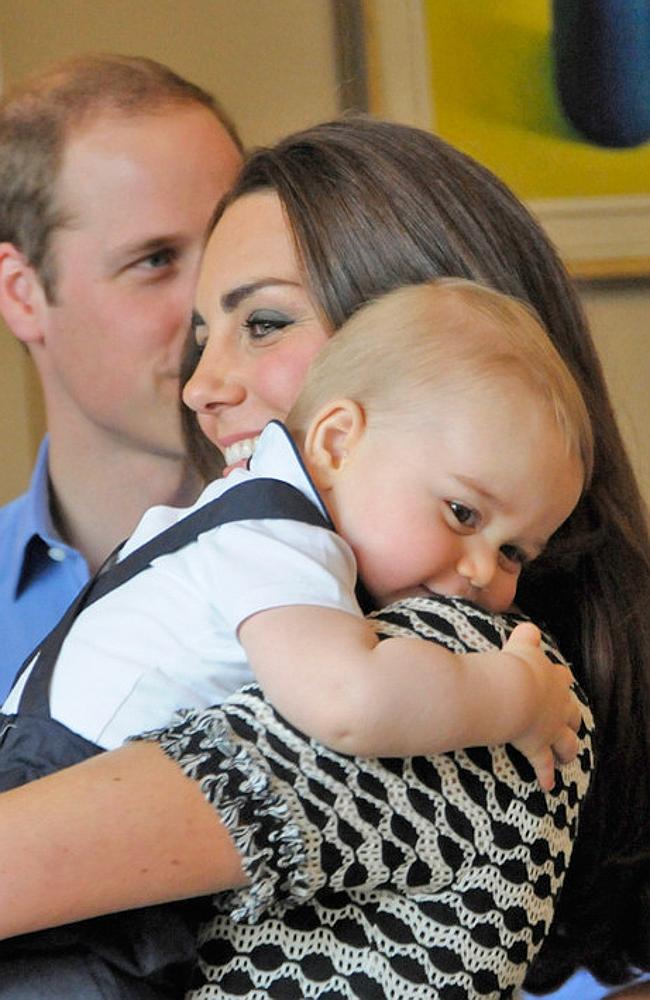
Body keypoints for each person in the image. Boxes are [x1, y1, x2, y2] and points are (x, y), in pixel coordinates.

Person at [0, 117, 647, 998]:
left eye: (263, 322)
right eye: (204, 332)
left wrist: (508, 694)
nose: (199, 386)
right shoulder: (298, 591)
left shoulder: (453, 678)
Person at [0, 53, 243, 699]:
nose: (212, 303)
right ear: (22, 295)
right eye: (155, 260)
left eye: (226, 246)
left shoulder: (370, 565)